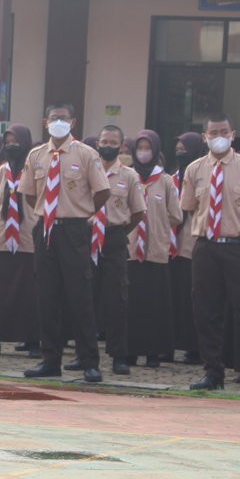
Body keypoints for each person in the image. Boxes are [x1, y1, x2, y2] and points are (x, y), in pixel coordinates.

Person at [180, 114, 240, 398]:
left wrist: (237, 224)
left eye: (224, 132)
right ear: (205, 137)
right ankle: (213, 372)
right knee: (206, 311)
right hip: (206, 246)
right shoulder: (195, 169)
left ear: (233, 134)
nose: (219, 137)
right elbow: (190, 206)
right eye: (213, 132)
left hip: (239, 246)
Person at [20, 103, 110, 380]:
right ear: (45, 121)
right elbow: (30, 193)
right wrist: (49, 212)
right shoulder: (36, 155)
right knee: (47, 296)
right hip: (45, 229)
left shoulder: (86, 154)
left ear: (73, 122)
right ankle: (50, 361)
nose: (58, 122)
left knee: (79, 296)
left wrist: (82, 212)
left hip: (74, 229)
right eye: (54, 118)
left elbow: (102, 191)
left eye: (63, 118)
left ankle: (89, 361)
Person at [89, 126, 145, 375]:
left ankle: (118, 356)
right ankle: (86, 356)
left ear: (121, 147)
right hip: (87, 237)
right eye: (104, 141)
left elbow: (138, 212)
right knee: (85, 298)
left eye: (113, 143)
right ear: (97, 144)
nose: (108, 146)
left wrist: (119, 232)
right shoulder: (87, 171)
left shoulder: (129, 176)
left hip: (114, 238)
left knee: (117, 299)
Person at [126, 129, 181, 368]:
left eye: (148, 148)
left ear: (156, 150)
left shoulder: (165, 181)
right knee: (131, 303)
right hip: (130, 250)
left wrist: (156, 225)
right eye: (139, 148)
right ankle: (129, 351)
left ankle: (153, 352)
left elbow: (176, 215)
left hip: (156, 251)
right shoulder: (128, 177)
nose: (143, 152)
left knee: (154, 304)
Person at [0, 124, 39, 353]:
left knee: (28, 291)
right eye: (8, 142)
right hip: (2, 236)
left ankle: (31, 339)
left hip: (27, 236)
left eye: (16, 141)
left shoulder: (34, 170)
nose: (11, 146)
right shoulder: (1, 171)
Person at [170, 132, 207, 365]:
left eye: (185, 149)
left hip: (193, 244)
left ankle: (195, 348)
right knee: (176, 298)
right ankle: (172, 344)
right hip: (172, 246)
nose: (180, 152)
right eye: (178, 149)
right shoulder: (172, 179)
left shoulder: (203, 176)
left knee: (196, 299)